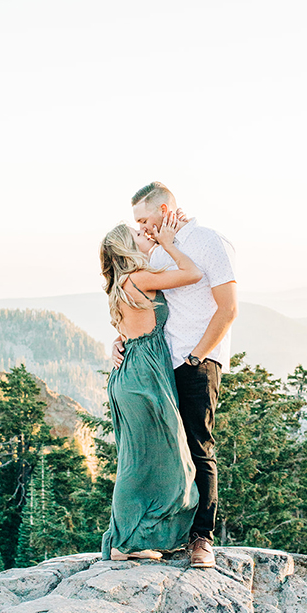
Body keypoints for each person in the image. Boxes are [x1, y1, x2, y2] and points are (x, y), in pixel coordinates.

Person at [114, 182, 237, 568]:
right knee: (169, 452)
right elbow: (141, 303)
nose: (142, 228)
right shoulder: (157, 252)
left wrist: (198, 357)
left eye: (144, 219)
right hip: (160, 367)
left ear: (165, 209)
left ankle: (202, 540)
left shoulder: (206, 241)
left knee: (199, 448)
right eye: (138, 223)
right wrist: (120, 340)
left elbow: (228, 307)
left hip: (195, 362)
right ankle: (168, 535)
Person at [100, 214, 202, 562]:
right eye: (137, 233)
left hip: (130, 374)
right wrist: (170, 243)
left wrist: (117, 340)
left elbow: (130, 328)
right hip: (143, 377)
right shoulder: (141, 277)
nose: (145, 233)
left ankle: (136, 539)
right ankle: (122, 543)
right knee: (154, 462)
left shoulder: (123, 282)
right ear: (127, 248)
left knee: (142, 460)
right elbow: (193, 274)